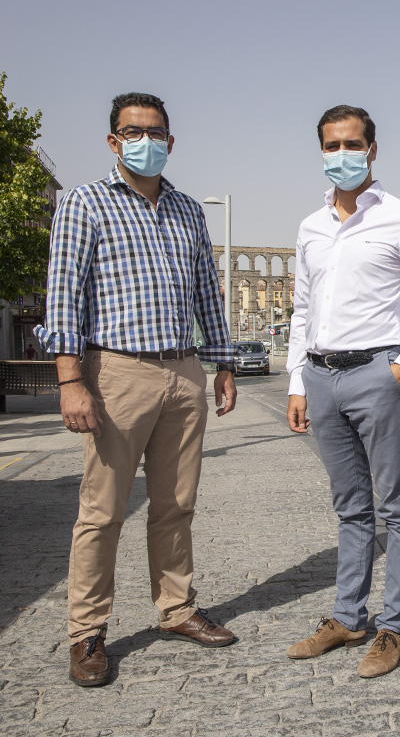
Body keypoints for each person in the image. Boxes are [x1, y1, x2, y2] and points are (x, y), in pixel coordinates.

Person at [34, 92, 238, 688]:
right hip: (116, 371)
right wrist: (71, 380)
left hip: (183, 370)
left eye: (155, 133)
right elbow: (63, 296)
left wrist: (222, 362)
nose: (144, 141)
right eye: (132, 132)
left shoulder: (185, 210)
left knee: (176, 504)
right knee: (102, 511)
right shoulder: (83, 203)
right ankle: (87, 633)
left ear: (170, 142)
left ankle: (176, 609)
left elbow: (206, 290)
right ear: (113, 140)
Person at [285, 105, 400, 678]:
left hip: (377, 374)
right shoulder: (310, 227)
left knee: (397, 508)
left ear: (372, 149)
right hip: (320, 376)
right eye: (331, 146)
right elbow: (302, 309)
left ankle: (393, 627)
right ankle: (346, 617)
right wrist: (295, 382)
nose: (341, 156)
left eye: (351, 145)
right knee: (350, 508)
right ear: (321, 151)